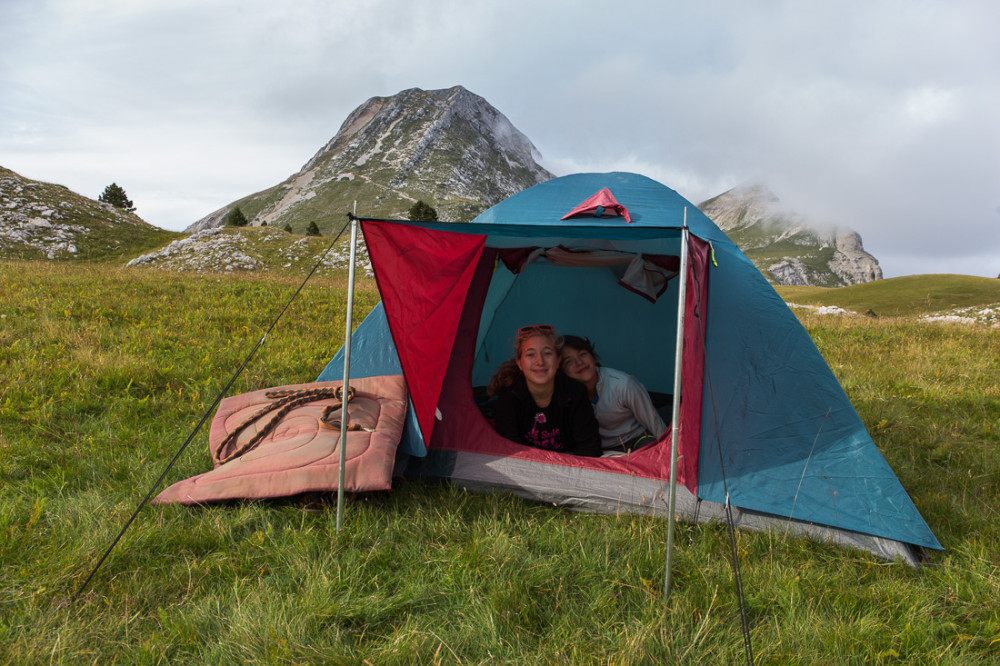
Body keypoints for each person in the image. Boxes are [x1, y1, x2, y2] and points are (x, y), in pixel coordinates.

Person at [488, 325, 602, 457]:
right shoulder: (510, 397)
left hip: (569, 467)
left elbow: (589, 449)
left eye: (547, 353)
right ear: (520, 363)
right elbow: (507, 452)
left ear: (558, 360)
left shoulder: (575, 393)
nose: (540, 361)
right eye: (530, 354)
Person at [559, 335, 667, 453]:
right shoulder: (565, 395)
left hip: (636, 439)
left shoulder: (624, 384)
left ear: (593, 356)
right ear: (562, 370)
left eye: (583, 354)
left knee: (652, 456)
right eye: (569, 361)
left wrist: (670, 454)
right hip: (599, 449)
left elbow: (655, 424)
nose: (579, 362)